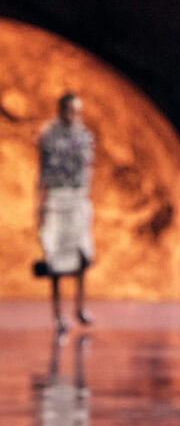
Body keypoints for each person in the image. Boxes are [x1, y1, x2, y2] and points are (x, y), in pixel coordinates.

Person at [37, 93, 95, 334]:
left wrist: (86, 201)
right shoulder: (49, 136)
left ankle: (79, 307)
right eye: (70, 110)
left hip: (78, 198)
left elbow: (88, 169)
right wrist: (39, 207)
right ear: (61, 110)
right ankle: (58, 314)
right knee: (57, 259)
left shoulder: (84, 136)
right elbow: (42, 173)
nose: (73, 115)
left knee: (82, 254)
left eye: (77, 110)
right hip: (56, 198)